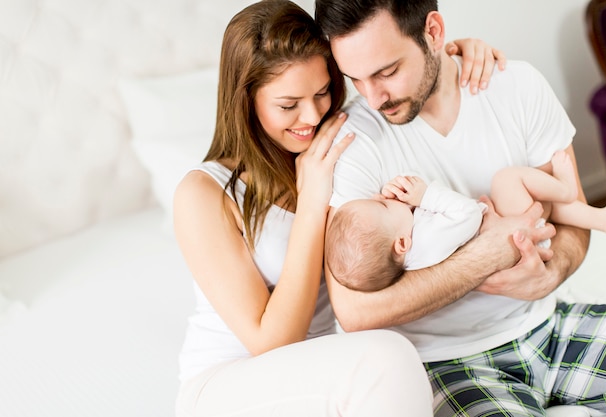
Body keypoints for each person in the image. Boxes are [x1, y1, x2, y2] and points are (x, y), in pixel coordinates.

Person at [172, 1, 501, 416]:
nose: (310, 116)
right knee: (388, 357)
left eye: (323, 91)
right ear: (246, 102)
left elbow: (397, 81)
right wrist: (311, 204)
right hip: (230, 382)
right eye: (288, 105)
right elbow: (271, 344)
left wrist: (456, 55)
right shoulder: (204, 194)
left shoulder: (341, 144)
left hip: (322, 375)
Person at [315, 1, 606, 415]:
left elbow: (577, 220)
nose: (373, 98)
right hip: (450, 363)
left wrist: (550, 275)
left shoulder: (517, 86)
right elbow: (355, 311)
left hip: (550, 326)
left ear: (434, 31)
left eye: (387, 72)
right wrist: (486, 256)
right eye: (356, 79)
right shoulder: (354, 143)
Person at [326, 152, 606, 292]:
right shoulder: (427, 242)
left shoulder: (410, 252)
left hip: (515, 238)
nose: (383, 196)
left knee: (543, 204)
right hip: (519, 244)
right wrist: (424, 195)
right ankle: (567, 188)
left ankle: (604, 219)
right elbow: (468, 214)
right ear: (401, 243)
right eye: (382, 204)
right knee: (507, 179)